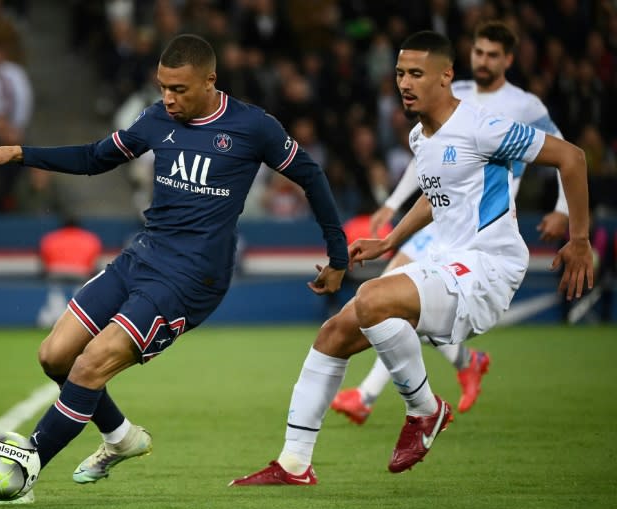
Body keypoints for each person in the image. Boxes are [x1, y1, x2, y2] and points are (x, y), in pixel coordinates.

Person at [0, 34, 348, 505]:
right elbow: (96, 158)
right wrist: (18, 152)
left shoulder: (252, 126)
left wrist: (338, 256)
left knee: (91, 365)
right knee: (54, 356)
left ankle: (22, 473)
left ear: (210, 81)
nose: (168, 98)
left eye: (179, 89)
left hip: (190, 279)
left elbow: (311, 175)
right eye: (162, 86)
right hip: (142, 256)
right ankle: (121, 438)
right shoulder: (158, 118)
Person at [230, 30, 593, 485]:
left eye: (416, 73)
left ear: (446, 77)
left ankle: (424, 410)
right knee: (335, 332)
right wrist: (389, 240)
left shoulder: (484, 126)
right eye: (400, 72)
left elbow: (573, 158)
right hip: (445, 260)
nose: (404, 82)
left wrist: (579, 238)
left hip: (488, 265)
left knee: (372, 299)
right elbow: (435, 192)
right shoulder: (422, 135)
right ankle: (294, 464)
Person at [331, 20, 572, 424]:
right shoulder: (448, 94)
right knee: (390, 297)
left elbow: (566, 154)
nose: (484, 60)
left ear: (508, 60)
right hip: (440, 219)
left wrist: (565, 210)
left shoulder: (525, 106)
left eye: (493, 54)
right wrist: (392, 205)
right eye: (479, 52)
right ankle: (460, 366)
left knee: (394, 302)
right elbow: (427, 165)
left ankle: (371, 396)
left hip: (483, 225)